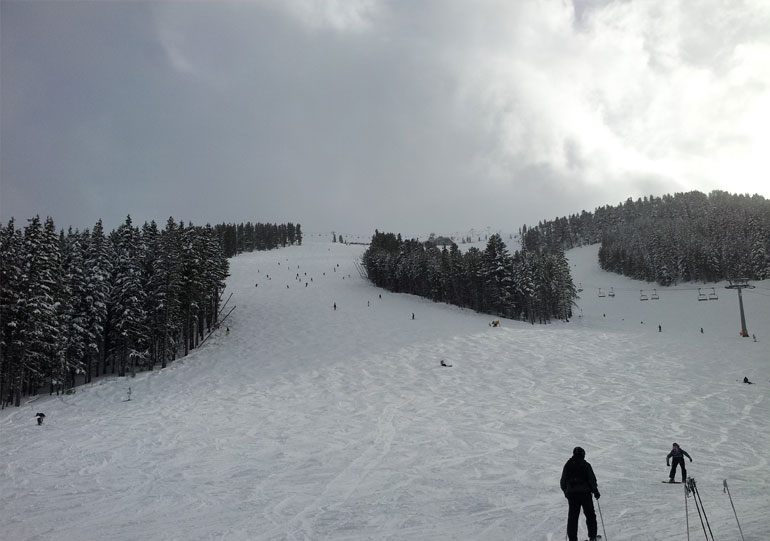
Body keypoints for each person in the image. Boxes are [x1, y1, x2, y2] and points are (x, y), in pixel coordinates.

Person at [560, 446, 600, 541]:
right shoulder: (585, 465)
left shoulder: (568, 465)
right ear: (582, 454)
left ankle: (573, 539)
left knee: (573, 518)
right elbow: (592, 479)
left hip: (572, 496)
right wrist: (595, 492)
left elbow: (563, 482)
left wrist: (567, 493)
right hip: (585, 494)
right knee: (590, 515)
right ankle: (592, 537)